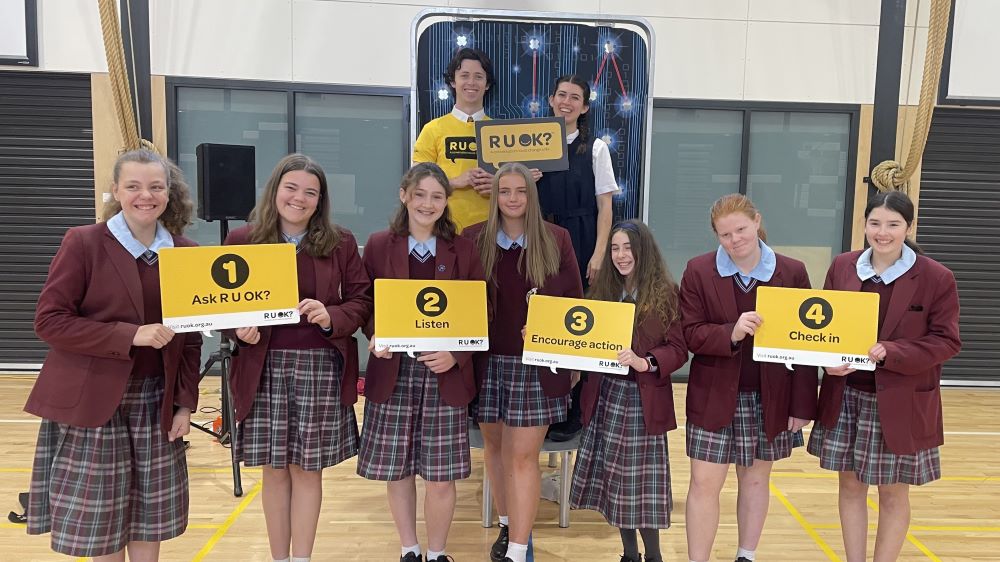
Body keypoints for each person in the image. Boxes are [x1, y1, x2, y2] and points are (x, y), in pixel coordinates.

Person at [25, 149, 202, 561]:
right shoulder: (84, 242)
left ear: (169, 193)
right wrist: (129, 335)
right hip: (94, 401)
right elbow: (49, 322)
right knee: (103, 526)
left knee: (149, 518)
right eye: (134, 186)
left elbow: (191, 341)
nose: (146, 195)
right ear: (116, 191)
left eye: (156, 187)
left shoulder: (186, 252)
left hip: (156, 402)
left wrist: (184, 405)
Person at [226, 154, 372, 562]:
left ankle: (302, 558)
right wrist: (237, 328)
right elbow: (220, 305)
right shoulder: (242, 240)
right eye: (291, 188)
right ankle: (279, 559)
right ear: (275, 190)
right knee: (274, 470)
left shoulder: (340, 242)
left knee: (308, 470)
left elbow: (362, 300)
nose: (299, 198)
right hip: (263, 368)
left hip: (319, 368)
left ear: (320, 200)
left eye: (311, 192)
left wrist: (333, 316)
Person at [807, 191, 961, 562]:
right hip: (845, 396)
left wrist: (895, 352)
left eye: (893, 224)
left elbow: (947, 341)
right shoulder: (843, 267)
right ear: (864, 225)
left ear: (909, 227)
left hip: (900, 401)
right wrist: (826, 361)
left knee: (893, 492)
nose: (883, 232)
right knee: (850, 485)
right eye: (875, 223)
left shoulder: (936, 277)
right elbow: (825, 326)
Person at [357, 162, 486, 562]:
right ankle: (409, 550)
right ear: (404, 195)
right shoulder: (379, 245)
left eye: (437, 196)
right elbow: (365, 305)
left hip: (443, 374)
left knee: (441, 475)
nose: (427, 204)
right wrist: (375, 335)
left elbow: (483, 311)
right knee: (397, 471)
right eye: (420, 195)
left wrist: (457, 353)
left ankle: (437, 553)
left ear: (446, 201)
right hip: (393, 372)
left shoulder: (462, 249)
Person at [679, 194, 818, 562]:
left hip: (768, 397)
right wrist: (731, 332)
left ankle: (746, 555)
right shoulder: (697, 270)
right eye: (724, 235)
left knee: (756, 480)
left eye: (740, 229)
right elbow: (690, 333)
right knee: (703, 484)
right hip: (712, 396)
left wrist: (802, 404)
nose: (734, 240)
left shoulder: (792, 271)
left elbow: (805, 343)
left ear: (757, 221)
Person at [462, 163, 583, 562]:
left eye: (521, 191)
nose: (513, 199)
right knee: (494, 450)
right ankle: (506, 523)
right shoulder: (473, 238)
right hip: (486, 362)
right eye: (505, 191)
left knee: (522, 455)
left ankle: (517, 549)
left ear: (532, 197)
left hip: (537, 364)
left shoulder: (556, 239)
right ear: (494, 196)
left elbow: (573, 305)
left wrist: (573, 361)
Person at [571, 220, 688, 562]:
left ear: (643, 251)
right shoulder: (604, 291)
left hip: (642, 399)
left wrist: (646, 361)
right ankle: (629, 555)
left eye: (628, 248)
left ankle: (653, 556)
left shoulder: (666, 292)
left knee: (641, 488)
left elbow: (678, 349)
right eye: (615, 248)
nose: (621, 255)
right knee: (616, 483)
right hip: (606, 396)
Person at [536, 74, 620, 442]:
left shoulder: (597, 148)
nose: (566, 102)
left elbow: (606, 206)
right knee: (545, 318)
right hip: (542, 238)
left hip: (583, 237)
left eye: (575, 97)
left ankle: (575, 410)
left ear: (584, 107)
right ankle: (545, 402)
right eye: (561, 95)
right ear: (550, 101)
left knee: (579, 321)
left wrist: (600, 252)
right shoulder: (533, 143)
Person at [413, 48, 496, 232]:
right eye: (464, 75)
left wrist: (499, 184)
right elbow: (416, 182)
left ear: (487, 84)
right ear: (453, 81)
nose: (471, 82)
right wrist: (456, 181)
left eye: (479, 77)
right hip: (443, 229)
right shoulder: (433, 129)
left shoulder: (502, 132)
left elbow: (517, 184)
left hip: (490, 233)